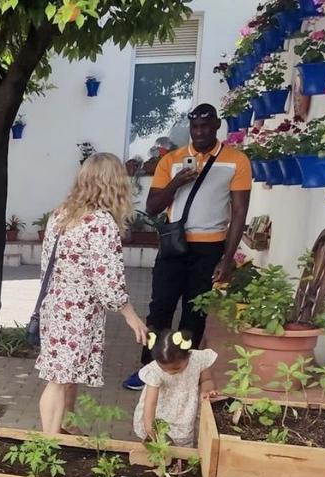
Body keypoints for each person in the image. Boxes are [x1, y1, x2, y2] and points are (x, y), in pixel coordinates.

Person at [123, 103, 251, 391]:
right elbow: (153, 206)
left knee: (195, 314)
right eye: (195, 127)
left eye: (206, 126)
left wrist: (228, 259)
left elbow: (240, 212)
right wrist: (176, 183)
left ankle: (184, 374)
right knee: (160, 310)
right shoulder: (172, 160)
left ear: (217, 126)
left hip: (210, 248)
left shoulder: (236, 160)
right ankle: (149, 370)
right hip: (173, 246)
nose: (200, 132)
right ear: (190, 128)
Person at [36, 153, 148, 435]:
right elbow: (108, 282)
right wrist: (130, 315)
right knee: (59, 380)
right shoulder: (100, 223)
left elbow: (47, 263)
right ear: (114, 183)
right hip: (77, 311)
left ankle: (65, 428)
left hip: (56, 304)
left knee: (66, 375)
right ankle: (48, 443)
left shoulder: (61, 213)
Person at [132, 329, 219, 446]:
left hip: (187, 412)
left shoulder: (198, 360)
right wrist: (150, 429)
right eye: (164, 368)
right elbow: (150, 403)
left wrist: (206, 391)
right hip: (162, 413)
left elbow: (207, 380)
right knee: (161, 442)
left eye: (176, 368)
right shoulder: (154, 372)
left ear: (187, 355)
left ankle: (181, 460)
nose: (169, 372)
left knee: (184, 444)